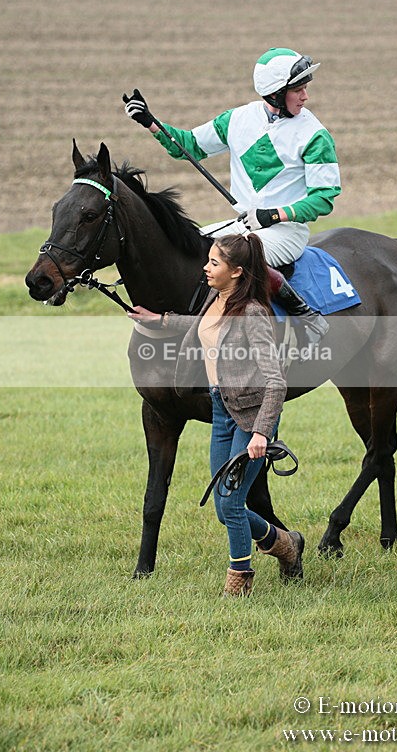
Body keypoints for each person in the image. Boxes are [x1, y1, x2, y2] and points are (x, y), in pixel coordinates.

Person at [127, 233, 304, 597]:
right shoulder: (215, 297)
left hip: (251, 417)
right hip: (222, 410)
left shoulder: (252, 314)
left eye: (214, 263)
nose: (205, 268)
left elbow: (276, 381)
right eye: (207, 261)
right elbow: (198, 327)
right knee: (225, 507)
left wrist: (261, 433)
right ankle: (286, 544)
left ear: (236, 272)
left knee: (231, 503)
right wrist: (160, 320)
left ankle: (238, 579)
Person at [123, 47, 340, 343]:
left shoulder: (315, 135)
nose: (306, 96)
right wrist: (151, 122)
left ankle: (304, 314)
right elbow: (188, 146)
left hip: (285, 233)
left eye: (305, 88)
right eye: (299, 89)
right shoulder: (237, 119)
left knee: (232, 257)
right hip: (243, 225)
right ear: (275, 93)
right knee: (190, 250)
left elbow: (323, 198)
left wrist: (273, 214)